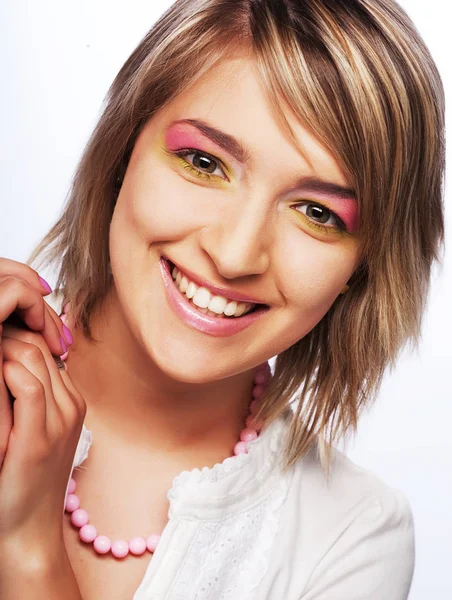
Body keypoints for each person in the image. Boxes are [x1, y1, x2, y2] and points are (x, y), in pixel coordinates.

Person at [0, 0, 445, 598]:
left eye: (316, 213)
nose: (236, 254)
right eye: (204, 162)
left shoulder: (354, 538)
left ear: (363, 266)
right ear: (123, 150)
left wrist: (27, 549)